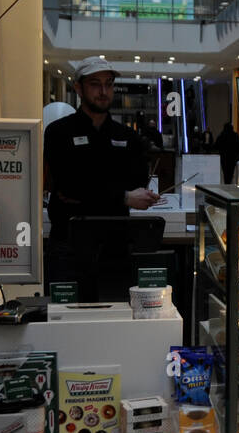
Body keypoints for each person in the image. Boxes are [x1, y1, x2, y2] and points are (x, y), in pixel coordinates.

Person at [44, 57, 160, 298]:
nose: (103, 91)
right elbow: (68, 186)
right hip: (68, 248)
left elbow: (135, 180)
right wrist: (123, 196)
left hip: (115, 248)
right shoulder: (58, 132)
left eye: (109, 84)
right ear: (78, 88)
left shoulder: (127, 136)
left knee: (114, 323)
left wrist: (92, 188)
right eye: (95, 84)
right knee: (64, 324)